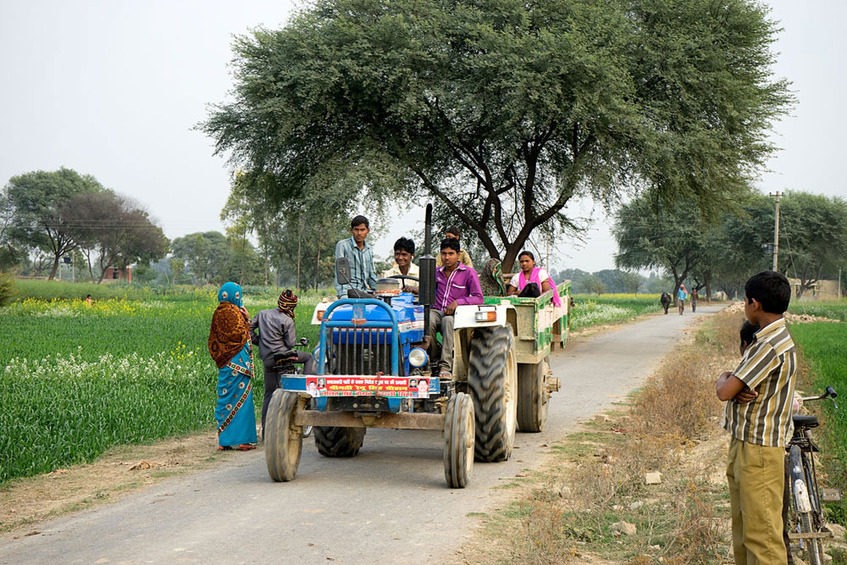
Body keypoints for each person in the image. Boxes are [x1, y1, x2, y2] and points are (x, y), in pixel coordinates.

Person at [716, 271, 796, 565]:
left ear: (755, 304)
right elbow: (736, 388)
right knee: (745, 531)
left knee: (762, 538)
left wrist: (723, 379)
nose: (744, 306)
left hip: (759, 451)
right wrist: (733, 386)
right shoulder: (766, 340)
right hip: (747, 443)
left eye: (745, 300)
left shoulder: (768, 345)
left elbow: (725, 390)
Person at [250, 289, 317, 433]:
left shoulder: (262, 314)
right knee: (309, 358)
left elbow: (248, 330)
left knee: (268, 394)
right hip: (284, 357)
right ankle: (305, 389)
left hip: (268, 359)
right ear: (291, 307)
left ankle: (266, 432)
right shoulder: (287, 320)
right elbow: (291, 343)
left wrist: (260, 342)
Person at [208, 282, 258, 451]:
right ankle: (243, 440)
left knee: (225, 399)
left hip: (224, 365)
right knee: (242, 401)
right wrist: (247, 319)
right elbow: (241, 336)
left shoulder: (218, 313)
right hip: (239, 365)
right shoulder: (236, 314)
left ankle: (225, 441)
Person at [427, 238, 484, 378]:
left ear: (458, 255)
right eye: (444, 253)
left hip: (456, 315)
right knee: (427, 318)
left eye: (451, 253)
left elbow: (478, 298)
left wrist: (458, 302)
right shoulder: (436, 272)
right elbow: (426, 290)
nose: (447, 257)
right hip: (437, 310)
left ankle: (445, 366)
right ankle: (434, 358)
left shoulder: (468, 273)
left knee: (447, 322)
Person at [335, 215, 378, 298]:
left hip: (364, 292)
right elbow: (340, 273)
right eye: (356, 230)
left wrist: (380, 290)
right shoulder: (343, 245)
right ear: (351, 230)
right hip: (349, 292)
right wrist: (343, 296)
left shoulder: (369, 250)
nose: (359, 233)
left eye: (362, 230)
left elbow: (372, 276)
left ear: (368, 231)